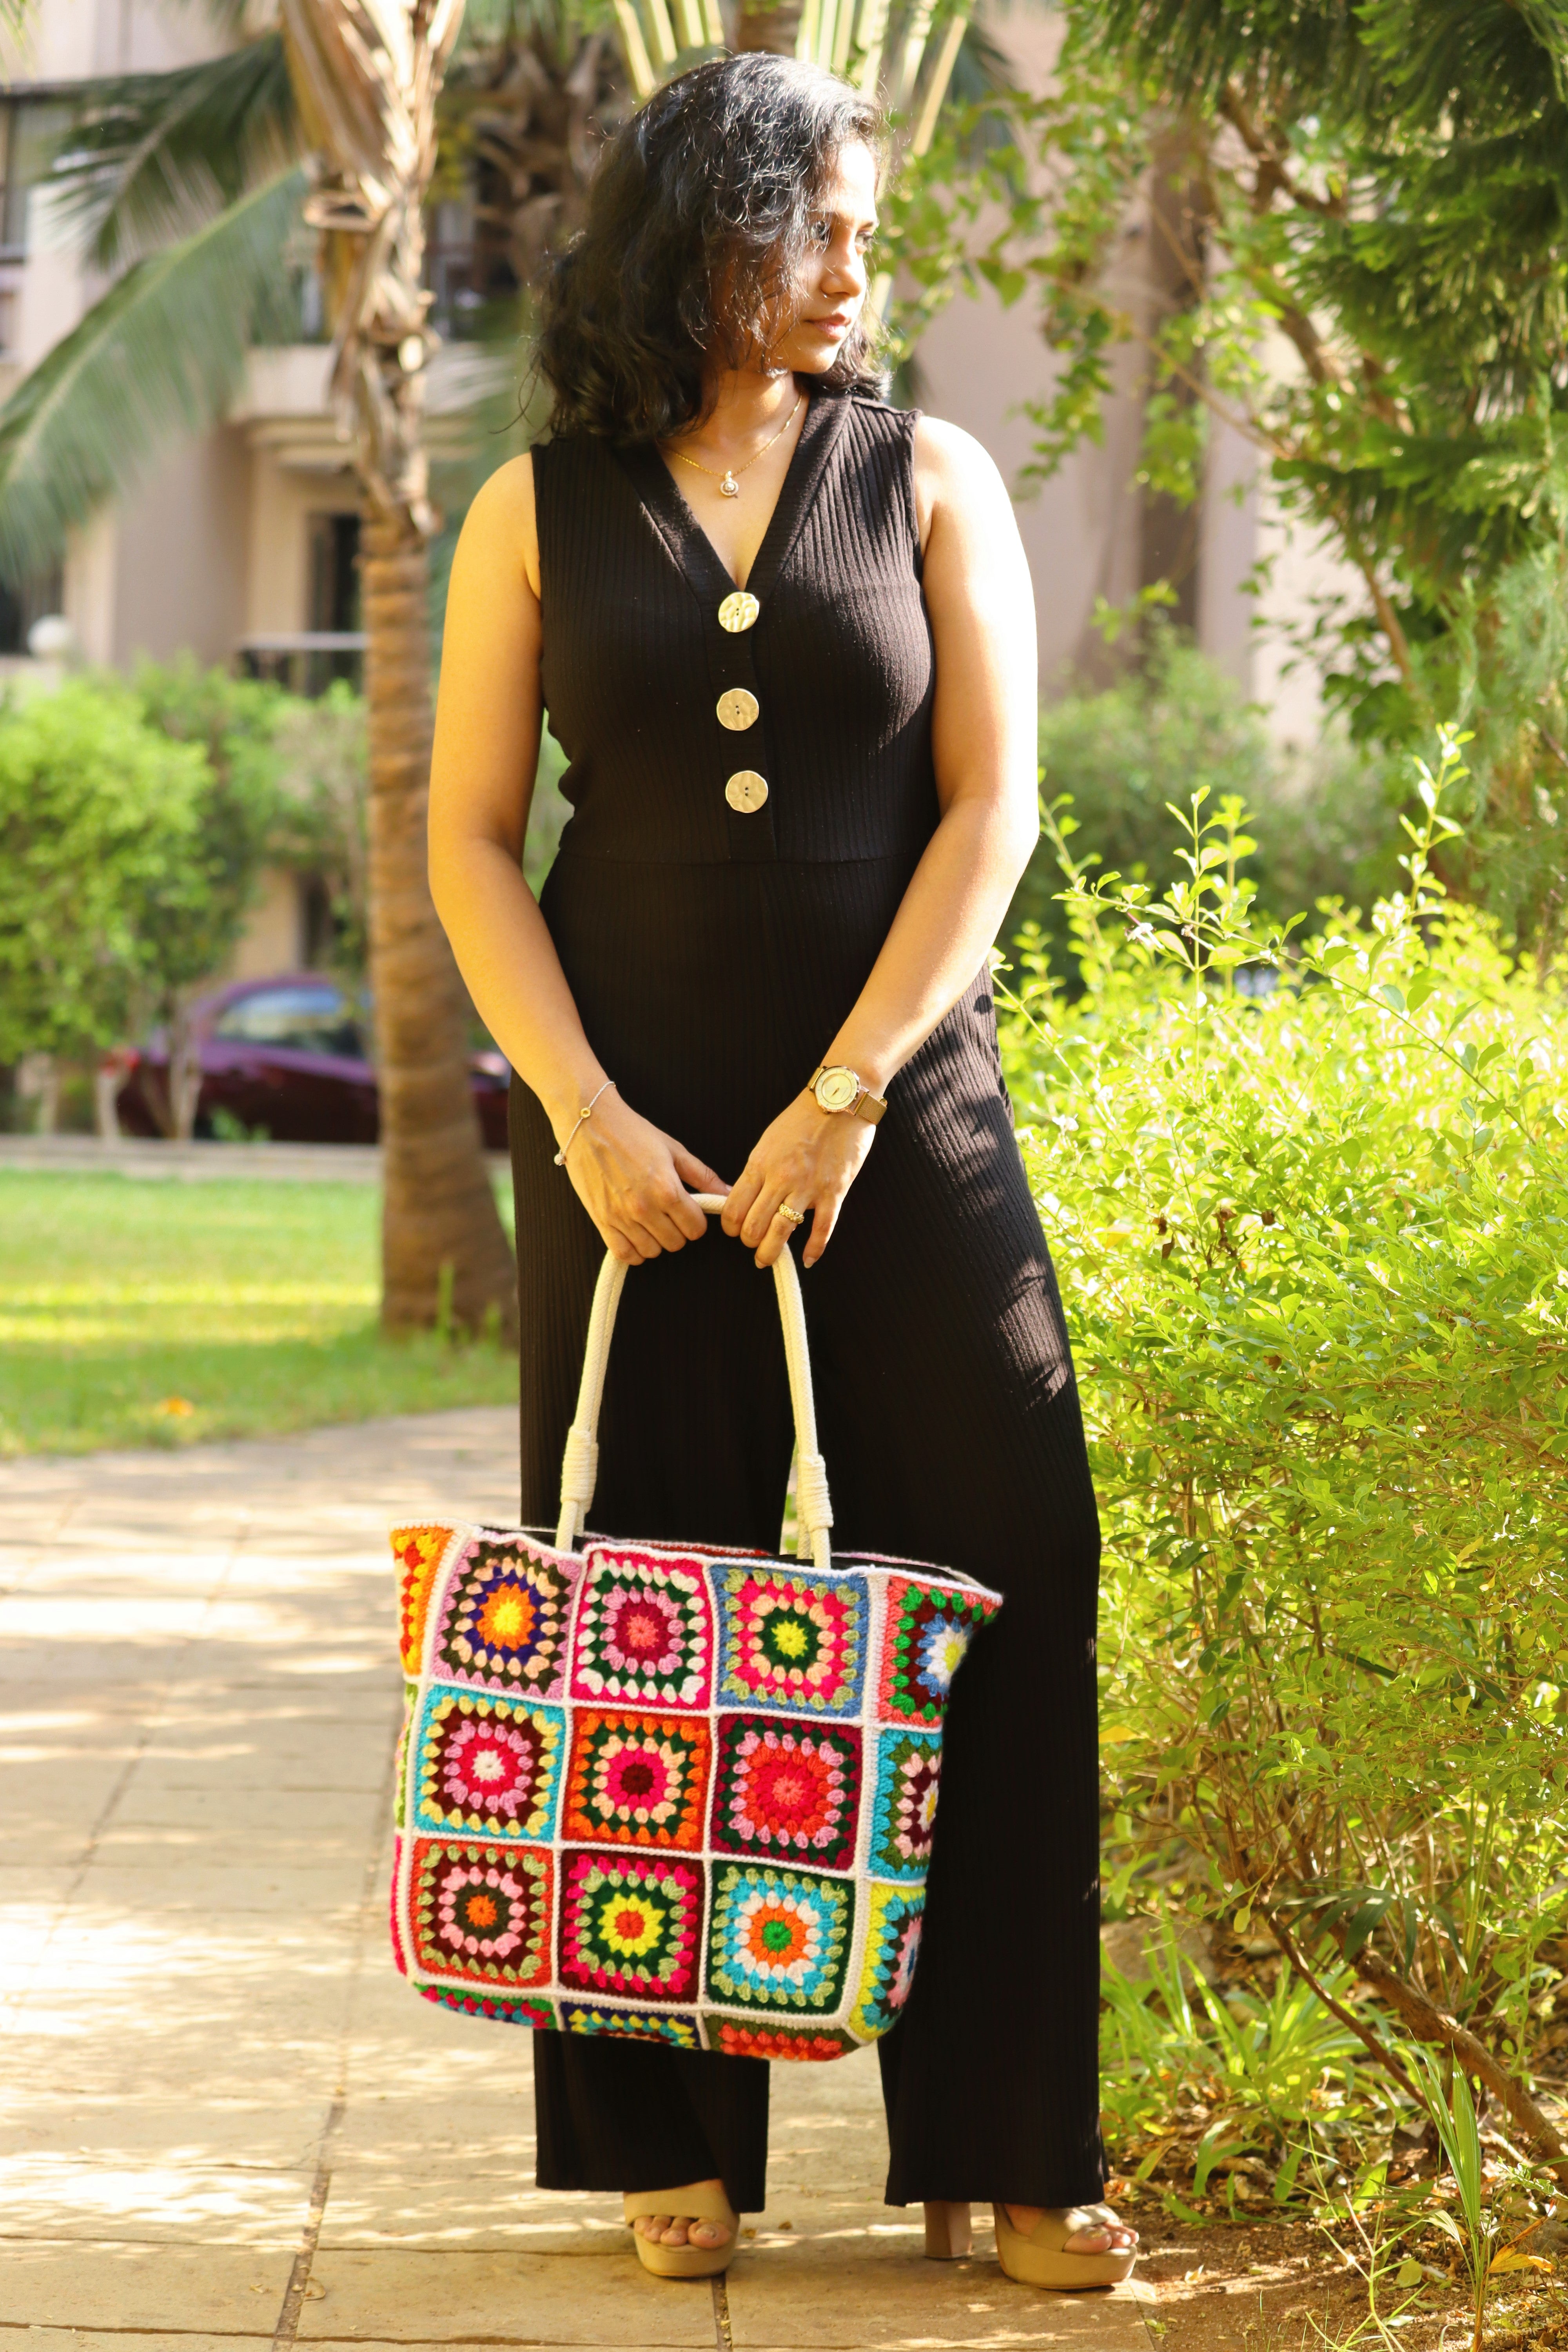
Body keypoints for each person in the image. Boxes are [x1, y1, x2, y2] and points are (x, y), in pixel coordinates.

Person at [426, 49, 1138, 2296]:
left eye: (867, 226)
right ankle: (673, 2141)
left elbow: (988, 815)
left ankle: (1008, 2156)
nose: (862, 264)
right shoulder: (537, 507)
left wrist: (845, 1096)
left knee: (1008, 1568)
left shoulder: (930, 473)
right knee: (648, 1607)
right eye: (824, 222)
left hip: (897, 1121)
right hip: (625, 1134)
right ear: (712, 232)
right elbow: (461, 838)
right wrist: (586, 1115)